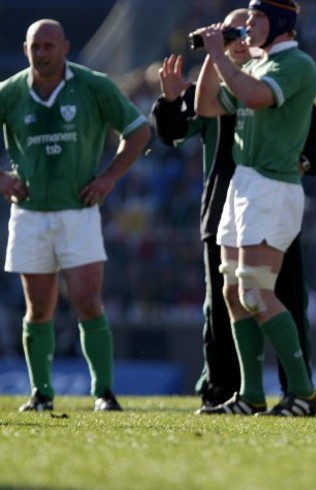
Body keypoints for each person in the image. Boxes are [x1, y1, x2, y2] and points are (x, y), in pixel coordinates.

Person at [151, 8, 316, 414]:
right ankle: (250, 395)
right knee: (234, 293)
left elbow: (254, 97)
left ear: (280, 23)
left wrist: (219, 54)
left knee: (257, 290)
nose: (248, 26)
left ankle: (302, 392)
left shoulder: (295, 63)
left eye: (256, 18)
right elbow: (207, 105)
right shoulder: (258, 62)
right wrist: (218, 56)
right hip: (243, 184)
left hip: (272, 185)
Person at [0, 19, 151, 412]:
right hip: (29, 213)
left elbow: (138, 132)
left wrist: (109, 179)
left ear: (65, 46)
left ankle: (104, 392)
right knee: (38, 307)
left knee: (87, 300)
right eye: (37, 47)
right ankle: (41, 394)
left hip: (78, 211)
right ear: (26, 48)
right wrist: (1, 179)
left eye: (50, 46)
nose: (43, 53)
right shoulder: (11, 92)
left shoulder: (93, 84)